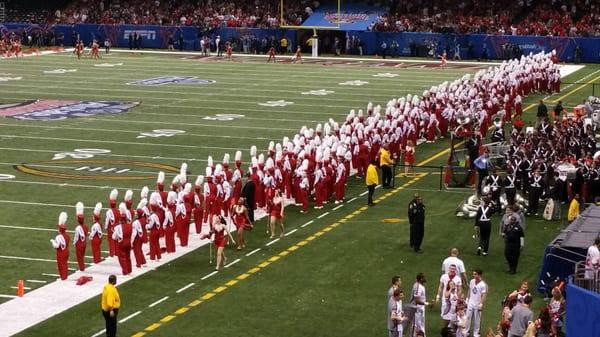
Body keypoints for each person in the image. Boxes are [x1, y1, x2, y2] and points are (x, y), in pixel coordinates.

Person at [465, 269, 487, 337]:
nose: (473, 275)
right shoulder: (472, 281)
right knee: (468, 318)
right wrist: (467, 298)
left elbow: (484, 295)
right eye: (473, 274)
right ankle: (466, 332)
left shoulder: (483, 284)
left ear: (479, 275)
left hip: (477, 303)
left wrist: (481, 303)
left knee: (477, 320)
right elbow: (470, 290)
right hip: (471, 302)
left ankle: (476, 333)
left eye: (475, 274)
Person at [50, 212, 70, 280]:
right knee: (65, 264)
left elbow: (56, 246)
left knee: (61, 265)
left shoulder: (58, 236)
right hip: (66, 251)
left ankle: (63, 277)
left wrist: (52, 241)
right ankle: (65, 276)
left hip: (61, 252)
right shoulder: (67, 236)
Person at [410, 273, 430, 337]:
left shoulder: (421, 286)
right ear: (421, 279)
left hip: (420, 309)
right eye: (424, 277)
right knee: (415, 325)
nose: (425, 278)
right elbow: (416, 300)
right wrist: (426, 303)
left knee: (421, 325)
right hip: (416, 309)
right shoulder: (418, 287)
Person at [72, 202, 88, 272]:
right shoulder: (86, 227)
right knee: (82, 256)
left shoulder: (78, 228)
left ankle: (81, 268)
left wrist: (74, 243)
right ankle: (82, 267)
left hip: (79, 243)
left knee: (79, 256)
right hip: (84, 242)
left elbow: (76, 237)